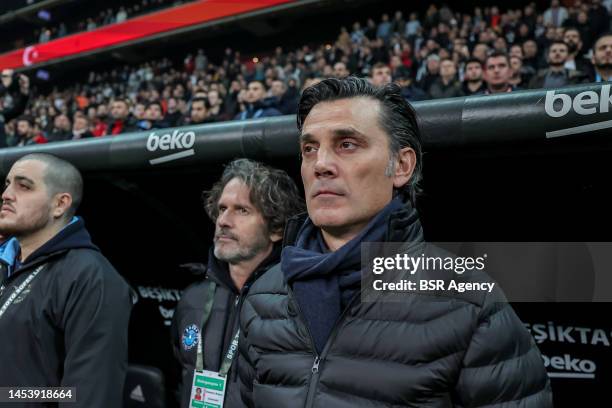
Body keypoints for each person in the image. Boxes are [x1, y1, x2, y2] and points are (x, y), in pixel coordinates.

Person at [238, 77, 552, 407]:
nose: (321, 165)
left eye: (347, 144)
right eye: (309, 148)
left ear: (401, 166)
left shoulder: (468, 302)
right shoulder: (262, 299)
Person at [0, 153, 132, 408]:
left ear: (60, 204)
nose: (6, 194)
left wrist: (10, 396)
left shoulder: (92, 277)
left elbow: (83, 393)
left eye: (24, 186)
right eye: (7, 183)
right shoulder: (6, 263)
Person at [171, 159, 304, 408]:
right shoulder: (193, 298)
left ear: (275, 228)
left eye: (242, 210)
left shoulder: (295, 303)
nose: (224, 221)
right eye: (222, 209)